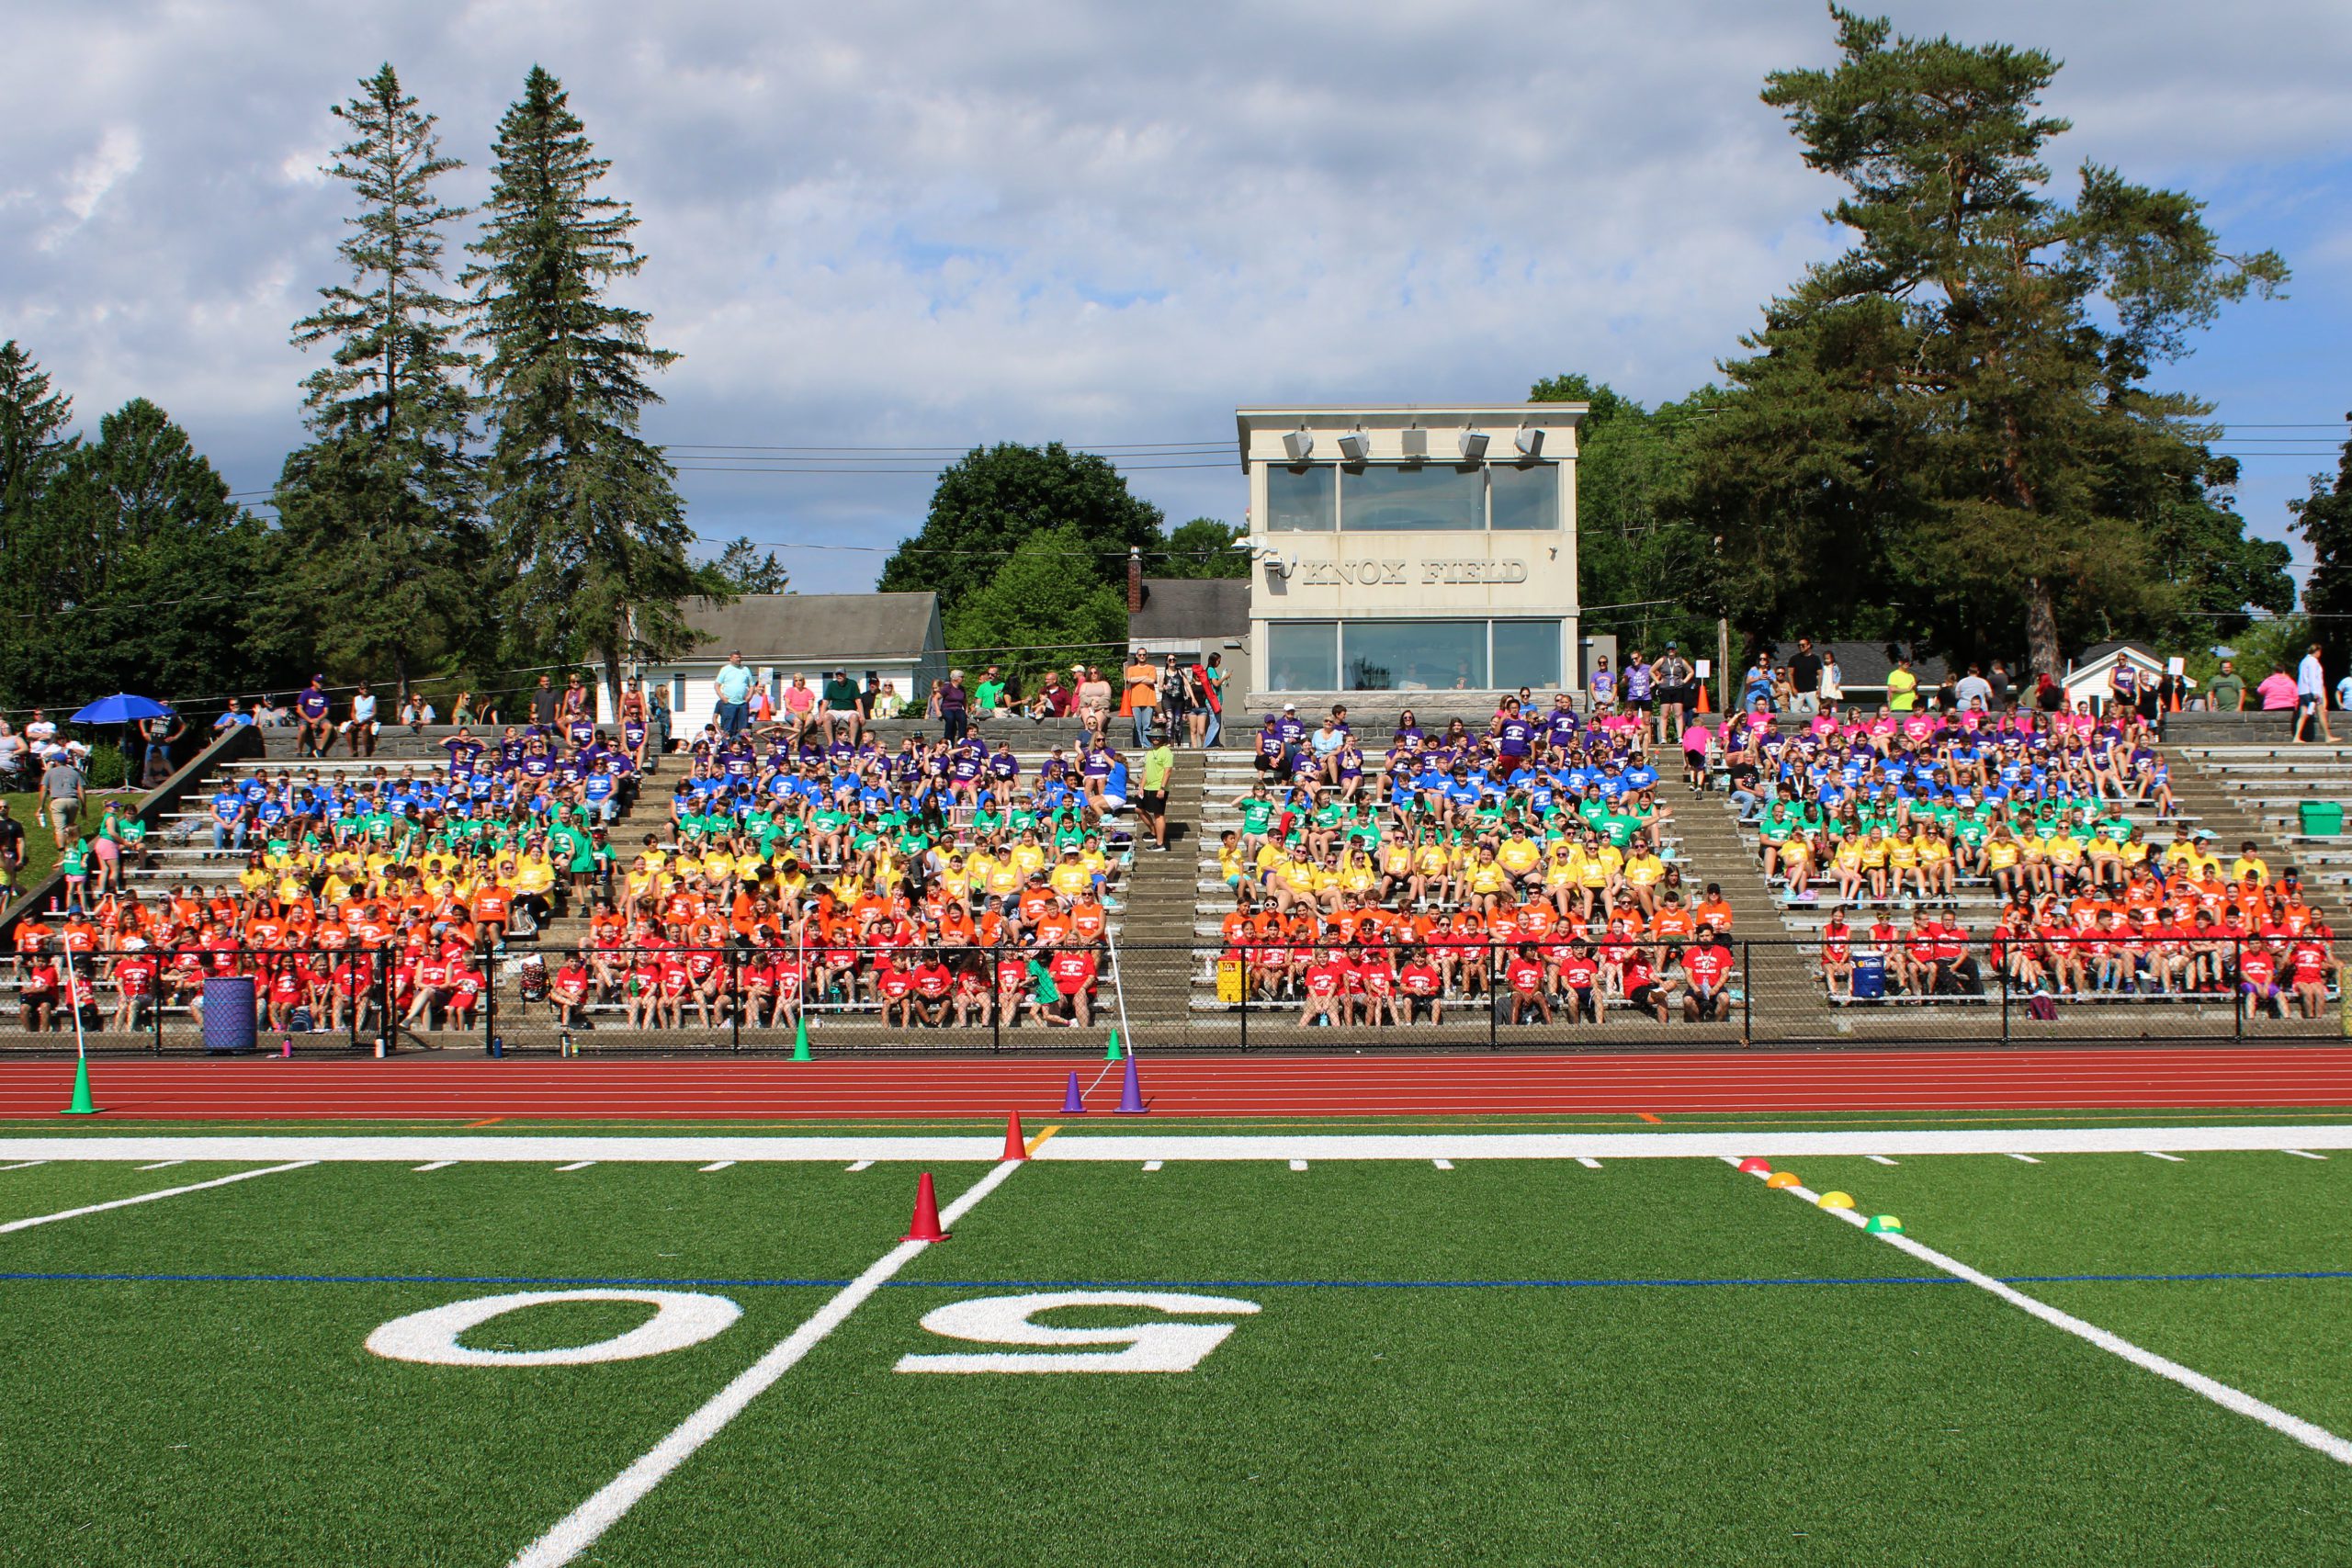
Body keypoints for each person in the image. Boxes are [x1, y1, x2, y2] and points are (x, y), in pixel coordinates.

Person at [40, 748, 86, 852]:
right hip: (73, 800)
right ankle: (72, 847)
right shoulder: (74, 772)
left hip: (58, 801)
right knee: (70, 826)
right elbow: (81, 790)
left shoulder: (50, 772)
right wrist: (84, 806)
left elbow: (43, 789)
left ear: (56, 762)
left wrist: (41, 806)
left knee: (60, 828)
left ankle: (62, 852)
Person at [1138, 726, 1175, 852]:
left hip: (1158, 787)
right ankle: (1154, 832)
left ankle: (1160, 844)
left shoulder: (1166, 751)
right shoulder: (1149, 753)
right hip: (1147, 787)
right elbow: (1146, 771)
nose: (1155, 739)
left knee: (1158, 815)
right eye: (1153, 737)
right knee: (1139, 809)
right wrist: (1141, 786)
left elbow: (1168, 771)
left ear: (1162, 738)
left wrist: (1162, 788)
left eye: (1158, 737)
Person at [2297, 643, 2334, 743]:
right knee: (2321, 714)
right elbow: (2313, 678)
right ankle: (2328, 736)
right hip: (2312, 692)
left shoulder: (2304, 661)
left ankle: (2297, 737)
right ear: (2317, 651)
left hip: (2303, 691)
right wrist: (2316, 693)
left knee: (2303, 714)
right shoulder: (2313, 662)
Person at [713, 651, 754, 740]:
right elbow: (717, 685)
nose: (738, 659)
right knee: (728, 728)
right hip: (729, 704)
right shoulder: (725, 669)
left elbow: (751, 685)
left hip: (742, 703)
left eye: (739, 657)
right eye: (736, 657)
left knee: (743, 729)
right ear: (731, 658)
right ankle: (728, 747)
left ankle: (743, 746)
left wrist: (749, 697)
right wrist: (723, 698)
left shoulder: (745, 669)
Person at [1124, 649, 1159, 749]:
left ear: (1146, 655)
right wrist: (1144, 677)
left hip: (1149, 701)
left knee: (1147, 726)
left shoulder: (1151, 668)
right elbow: (1129, 680)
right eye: (1140, 655)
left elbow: (1152, 680)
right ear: (1136, 656)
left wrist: (1137, 679)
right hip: (1135, 701)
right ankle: (1138, 746)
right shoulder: (1131, 669)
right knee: (1137, 726)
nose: (1142, 656)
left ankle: (1147, 746)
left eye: (1144, 654)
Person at [1785, 638, 1822, 717]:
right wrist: (1793, 688)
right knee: (1794, 713)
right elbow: (1790, 674)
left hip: (1812, 690)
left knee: (1817, 711)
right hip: (1798, 691)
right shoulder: (1794, 659)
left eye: (1803, 645)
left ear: (1809, 645)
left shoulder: (1816, 659)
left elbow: (1820, 674)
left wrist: (1819, 689)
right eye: (1799, 645)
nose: (1801, 647)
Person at [345, 681, 379, 757]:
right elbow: (353, 712)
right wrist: (356, 720)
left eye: (367, 688)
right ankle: (353, 751)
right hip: (358, 719)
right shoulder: (356, 699)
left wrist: (366, 719)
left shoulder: (372, 698)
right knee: (349, 729)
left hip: (368, 719)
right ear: (359, 689)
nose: (365, 690)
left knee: (365, 728)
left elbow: (374, 712)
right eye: (363, 688)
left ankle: (366, 752)